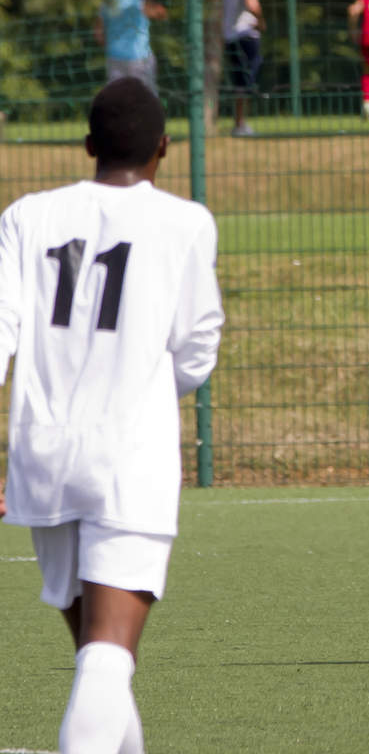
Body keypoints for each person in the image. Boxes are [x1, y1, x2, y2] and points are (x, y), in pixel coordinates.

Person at [0, 77, 224, 754]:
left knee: (98, 661)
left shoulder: (26, 217)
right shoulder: (186, 222)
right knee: (107, 656)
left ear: (89, 145)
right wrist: (148, 388)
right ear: (164, 148)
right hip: (130, 458)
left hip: (43, 456)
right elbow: (198, 348)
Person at [94, 0, 166, 94]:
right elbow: (160, 13)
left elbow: (98, 34)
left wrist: (112, 46)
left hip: (114, 57)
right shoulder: (139, 2)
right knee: (145, 96)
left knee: (117, 96)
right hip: (140, 58)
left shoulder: (107, 4)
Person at [222, 0, 265, 137]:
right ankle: (240, 124)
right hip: (246, 35)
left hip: (229, 36)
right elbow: (251, 3)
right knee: (246, 81)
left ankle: (239, 122)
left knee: (239, 80)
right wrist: (261, 21)